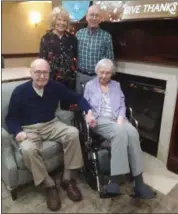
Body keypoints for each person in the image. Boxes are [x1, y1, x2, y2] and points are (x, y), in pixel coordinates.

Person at [5, 59, 95, 211]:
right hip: (29, 128)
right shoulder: (20, 91)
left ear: (49, 73)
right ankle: (49, 185)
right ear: (31, 73)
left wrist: (89, 111)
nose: (41, 76)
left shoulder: (54, 86)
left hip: (51, 123)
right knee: (27, 149)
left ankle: (67, 179)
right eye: (37, 72)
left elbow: (77, 97)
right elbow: (10, 118)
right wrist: (18, 131)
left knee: (73, 133)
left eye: (45, 72)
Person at [83, 58, 156, 199]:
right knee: (120, 132)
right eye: (102, 72)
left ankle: (139, 183)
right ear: (97, 71)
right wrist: (89, 115)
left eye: (108, 73)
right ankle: (114, 181)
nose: (104, 76)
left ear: (112, 74)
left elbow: (122, 105)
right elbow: (85, 105)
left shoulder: (116, 85)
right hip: (100, 119)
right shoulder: (89, 85)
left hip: (117, 118)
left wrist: (121, 118)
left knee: (133, 133)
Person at [39, 7, 77, 109]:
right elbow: (42, 60)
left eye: (65, 20)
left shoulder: (72, 38)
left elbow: (76, 58)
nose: (62, 23)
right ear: (54, 21)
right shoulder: (45, 38)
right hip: (51, 79)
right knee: (51, 106)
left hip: (69, 80)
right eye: (59, 19)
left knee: (68, 108)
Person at [76, 5, 114, 93]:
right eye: (91, 15)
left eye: (97, 15)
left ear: (100, 18)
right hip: (81, 76)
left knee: (96, 105)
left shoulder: (106, 36)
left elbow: (110, 61)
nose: (94, 18)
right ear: (86, 17)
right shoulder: (79, 34)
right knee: (80, 103)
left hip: (98, 78)